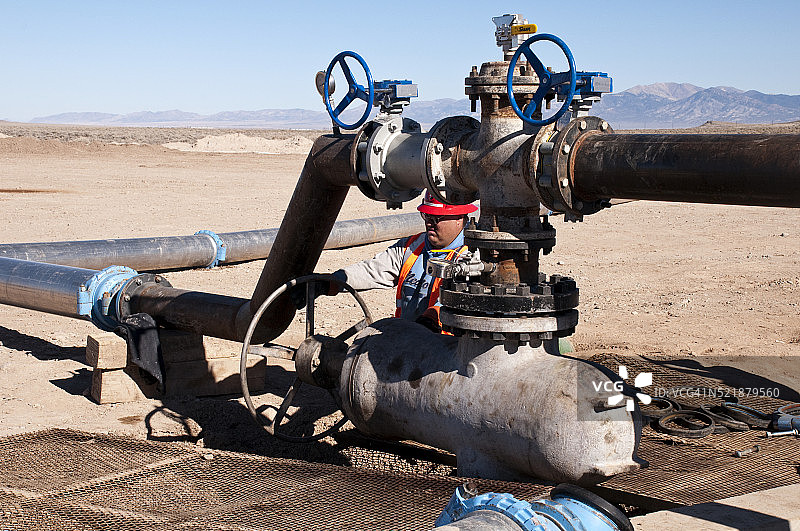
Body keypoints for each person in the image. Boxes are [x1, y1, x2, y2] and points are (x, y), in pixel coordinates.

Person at [329, 191, 478, 333]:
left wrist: (434, 317)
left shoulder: (473, 256)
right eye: (426, 216)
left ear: (459, 218)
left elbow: (463, 297)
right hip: (407, 340)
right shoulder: (413, 246)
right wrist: (333, 281)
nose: (429, 223)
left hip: (449, 349)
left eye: (436, 218)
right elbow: (373, 270)